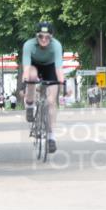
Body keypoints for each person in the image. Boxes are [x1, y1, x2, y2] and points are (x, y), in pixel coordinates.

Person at [21, 21, 65, 153]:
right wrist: (25, 77)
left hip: (50, 67)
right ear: (36, 36)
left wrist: (62, 81)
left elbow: (58, 68)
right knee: (31, 77)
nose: (44, 39)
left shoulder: (56, 45)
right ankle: (29, 104)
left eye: (47, 37)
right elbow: (27, 67)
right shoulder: (28, 45)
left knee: (51, 101)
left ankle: (51, 137)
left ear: (51, 37)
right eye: (41, 36)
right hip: (34, 65)